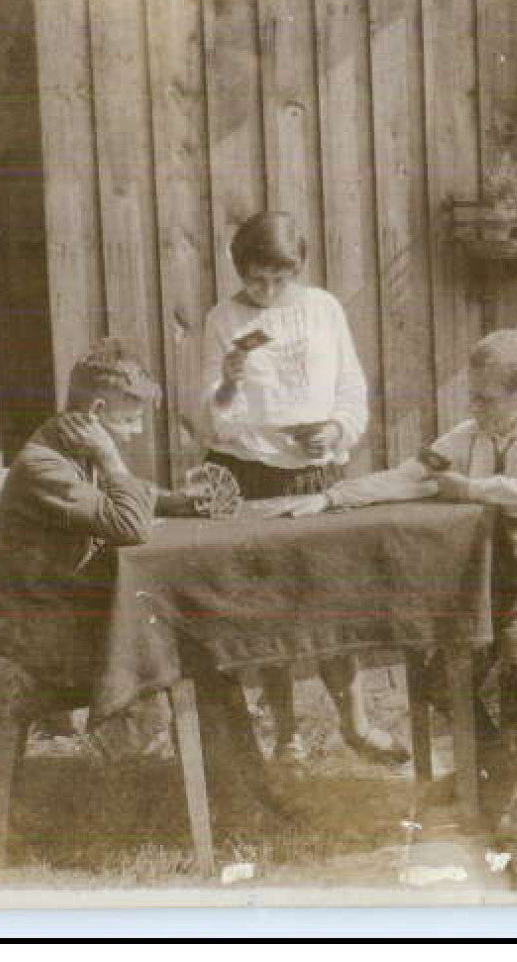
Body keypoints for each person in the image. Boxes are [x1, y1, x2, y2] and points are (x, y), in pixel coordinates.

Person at [279, 329, 517, 833]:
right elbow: (408, 474)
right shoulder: (466, 437)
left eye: (486, 398)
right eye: (471, 395)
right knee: (440, 672)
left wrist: (468, 487)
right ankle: (492, 767)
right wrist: (333, 497)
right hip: (496, 583)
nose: (475, 407)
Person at [0, 338, 279, 817]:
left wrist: (181, 500)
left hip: (62, 613)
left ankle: (243, 796)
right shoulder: (43, 465)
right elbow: (128, 524)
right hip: (31, 632)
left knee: (201, 644)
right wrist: (110, 457)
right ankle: (225, 800)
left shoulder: (68, 451)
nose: (132, 435)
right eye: (128, 422)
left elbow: (133, 497)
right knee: (193, 648)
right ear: (95, 413)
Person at [200, 210, 407, 766]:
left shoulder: (324, 310)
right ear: (238, 269)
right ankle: (286, 734)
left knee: (331, 600)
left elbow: (351, 390)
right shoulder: (223, 318)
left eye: (279, 278)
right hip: (251, 475)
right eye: (255, 279)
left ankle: (356, 725)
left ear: (301, 268)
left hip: (317, 475)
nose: (266, 290)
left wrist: (337, 430)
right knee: (270, 608)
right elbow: (216, 419)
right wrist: (228, 381)